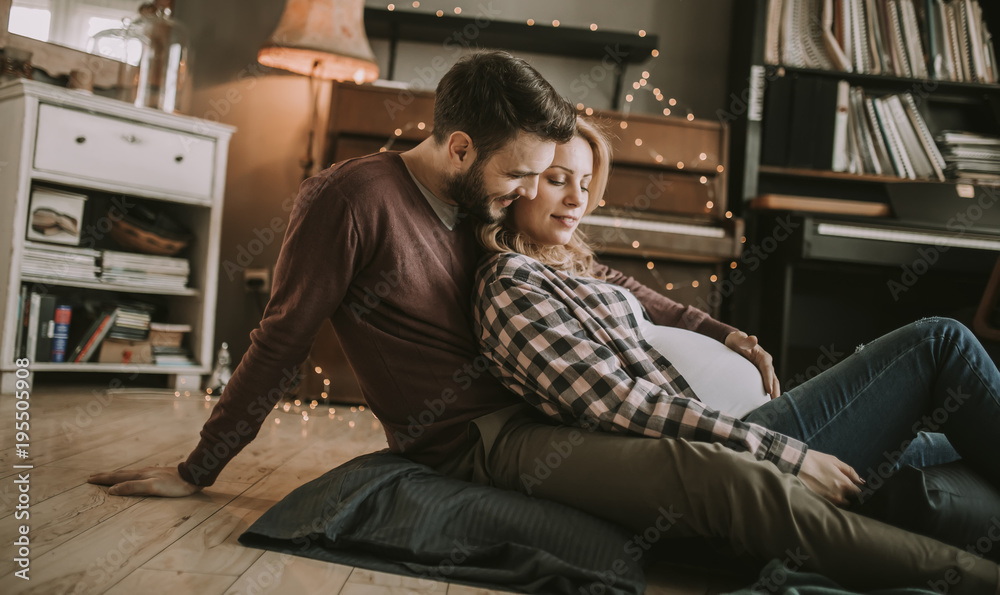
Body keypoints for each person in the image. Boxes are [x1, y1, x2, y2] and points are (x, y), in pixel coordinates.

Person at [88, 53, 999, 594]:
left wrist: (717, 332)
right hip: (488, 433)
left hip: (551, 400)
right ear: (457, 148)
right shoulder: (352, 201)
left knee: (919, 425)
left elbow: (596, 278)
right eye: (524, 173)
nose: (542, 192)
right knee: (729, 477)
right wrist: (196, 468)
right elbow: (280, 338)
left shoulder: (476, 202)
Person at [472, 114, 1000, 592]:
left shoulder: (564, 264)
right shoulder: (511, 282)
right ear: (516, 184)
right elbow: (619, 404)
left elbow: (649, 301)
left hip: (754, 427)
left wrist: (726, 336)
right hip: (748, 451)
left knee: (941, 458)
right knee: (938, 341)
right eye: (559, 180)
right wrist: (788, 455)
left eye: (586, 184)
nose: (577, 200)